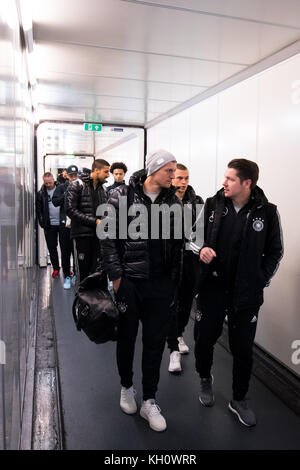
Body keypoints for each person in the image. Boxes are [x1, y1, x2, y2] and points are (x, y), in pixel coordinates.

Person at [193, 158, 283, 427]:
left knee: (243, 348)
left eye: (230, 179)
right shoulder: (211, 205)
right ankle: (205, 379)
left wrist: (259, 280)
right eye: (225, 177)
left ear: (247, 183)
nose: (224, 183)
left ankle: (239, 399)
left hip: (246, 294)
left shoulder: (267, 212)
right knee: (204, 339)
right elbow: (192, 237)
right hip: (212, 288)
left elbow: (275, 252)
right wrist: (201, 249)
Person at [102, 149, 183, 432]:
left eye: (174, 171)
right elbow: (108, 238)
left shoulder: (174, 202)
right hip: (130, 282)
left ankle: (150, 398)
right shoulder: (121, 196)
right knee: (126, 337)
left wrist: (174, 282)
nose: (173, 176)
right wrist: (116, 277)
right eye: (169, 171)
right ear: (154, 170)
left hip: (160, 285)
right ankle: (127, 387)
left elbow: (177, 246)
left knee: (154, 342)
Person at [167, 163, 204, 374]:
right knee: (172, 303)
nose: (183, 182)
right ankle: (173, 349)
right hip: (169, 261)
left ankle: (179, 334)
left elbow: (198, 234)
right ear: (172, 178)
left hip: (190, 260)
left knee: (185, 303)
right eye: (179, 178)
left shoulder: (197, 201)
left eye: (186, 178)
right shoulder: (164, 200)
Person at [65, 159, 110, 283]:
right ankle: (82, 301)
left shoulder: (103, 189)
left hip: (98, 237)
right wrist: (94, 221)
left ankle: (95, 301)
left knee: (97, 272)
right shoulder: (77, 185)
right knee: (83, 274)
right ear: (96, 171)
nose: (108, 175)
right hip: (82, 236)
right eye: (106, 172)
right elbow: (70, 210)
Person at [36, 172, 72, 285]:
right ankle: (56, 268)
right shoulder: (41, 193)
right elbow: (39, 210)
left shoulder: (61, 189)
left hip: (62, 224)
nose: (48, 184)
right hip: (49, 225)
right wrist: (42, 223)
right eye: (46, 183)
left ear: (53, 180)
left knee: (65, 247)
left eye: (50, 182)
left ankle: (67, 269)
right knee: (52, 247)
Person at [52, 165, 79, 288]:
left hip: (78, 225)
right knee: (65, 252)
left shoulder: (82, 187)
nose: (73, 177)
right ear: (66, 175)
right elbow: (55, 202)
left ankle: (77, 276)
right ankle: (67, 276)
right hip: (64, 226)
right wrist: (66, 194)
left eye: (75, 175)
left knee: (77, 252)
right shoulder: (61, 188)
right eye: (71, 175)